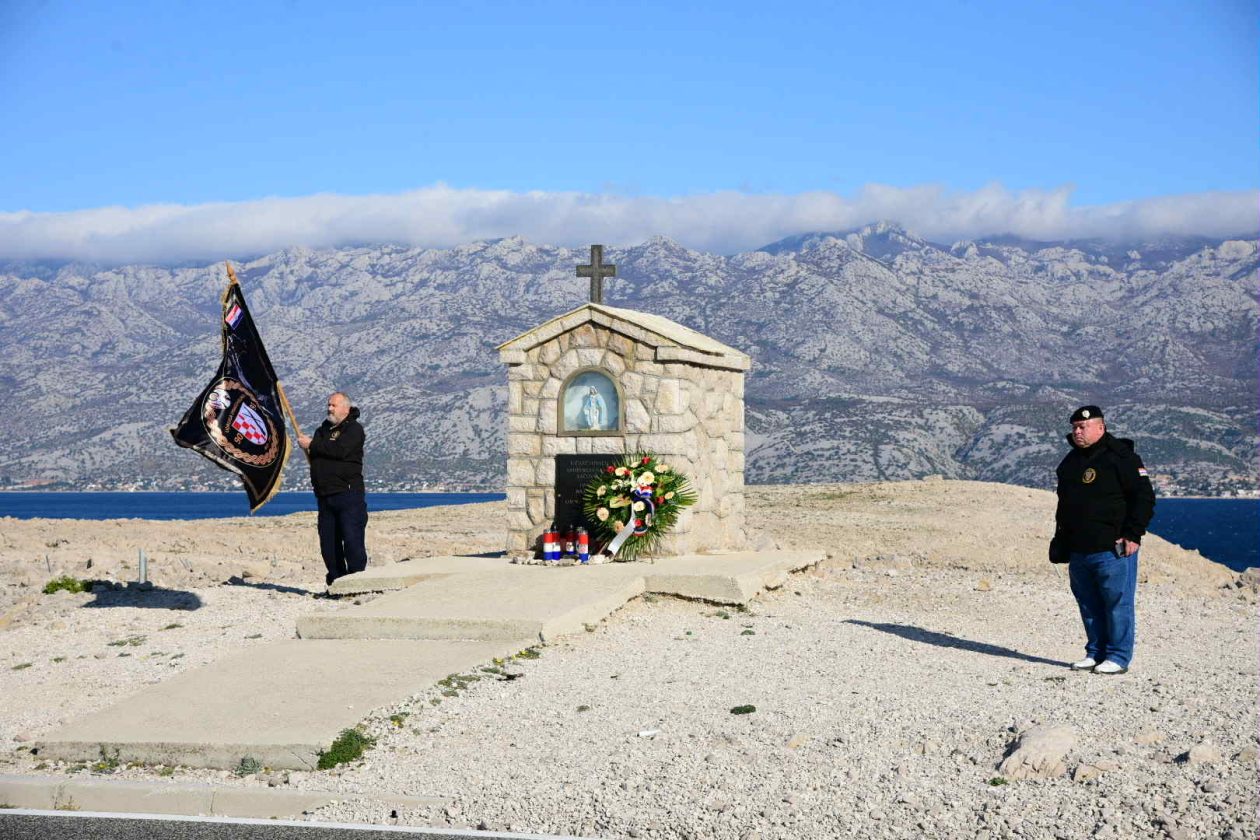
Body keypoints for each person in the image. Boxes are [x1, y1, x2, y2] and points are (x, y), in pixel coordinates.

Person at [1051, 405, 1155, 675]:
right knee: (1088, 602)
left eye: (1083, 427)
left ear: (1101, 427)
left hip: (1112, 548)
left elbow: (1143, 498)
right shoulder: (1071, 462)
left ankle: (1118, 656)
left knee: (1117, 603)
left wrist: (1134, 534)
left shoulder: (1122, 457)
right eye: (1074, 427)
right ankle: (1095, 652)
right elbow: (1065, 506)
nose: (1077, 431)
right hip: (1079, 548)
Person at [297, 392, 368, 587]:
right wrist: (310, 448)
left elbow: (340, 451)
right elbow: (320, 452)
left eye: (334, 405)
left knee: (352, 541)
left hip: (348, 494)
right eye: (329, 405)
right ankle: (337, 583)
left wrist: (312, 444)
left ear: (345, 408)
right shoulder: (322, 430)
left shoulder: (354, 430)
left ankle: (358, 584)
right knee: (329, 544)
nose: (329, 408)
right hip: (325, 495)